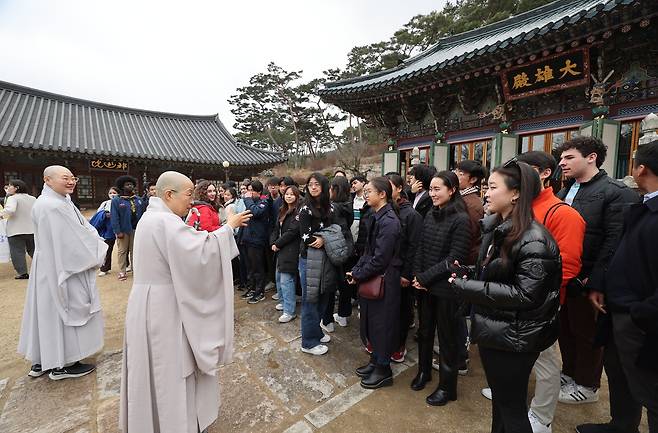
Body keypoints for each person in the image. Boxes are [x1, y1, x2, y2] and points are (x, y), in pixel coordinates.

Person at [119, 171, 251, 433]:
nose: (192, 201)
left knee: (153, 366)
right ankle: (175, 424)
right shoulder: (164, 223)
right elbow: (200, 252)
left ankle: (152, 421)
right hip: (164, 306)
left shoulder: (151, 217)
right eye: (189, 194)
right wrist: (229, 227)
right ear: (169, 194)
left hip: (148, 301)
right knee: (171, 367)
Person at [451, 160, 561, 433]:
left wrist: (468, 288)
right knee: (501, 404)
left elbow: (525, 294)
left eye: (491, 187)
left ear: (516, 194)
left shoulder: (533, 238)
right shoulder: (498, 228)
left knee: (512, 410)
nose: (486, 193)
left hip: (516, 337)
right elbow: (497, 272)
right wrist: (468, 272)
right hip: (497, 329)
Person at [480, 151, 586, 433]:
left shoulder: (558, 214)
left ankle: (541, 415)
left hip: (535, 312)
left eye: (493, 186)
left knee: (546, 365)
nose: (487, 193)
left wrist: (538, 292)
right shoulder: (504, 220)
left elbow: (565, 266)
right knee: (510, 394)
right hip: (506, 315)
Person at [576, 140, 658, 433]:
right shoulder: (643, 205)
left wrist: (638, 312)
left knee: (650, 386)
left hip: (641, 316)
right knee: (620, 371)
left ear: (641, 169)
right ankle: (622, 425)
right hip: (619, 307)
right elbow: (617, 249)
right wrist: (601, 284)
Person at [554, 136, 639, 404]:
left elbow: (615, 240)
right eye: (562, 158)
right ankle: (569, 372)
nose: (562, 163)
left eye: (569, 157)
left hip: (589, 276)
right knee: (564, 328)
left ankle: (588, 385)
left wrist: (597, 282)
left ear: (591, 157)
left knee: (587, 332)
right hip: (564, 273)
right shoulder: (565, 190)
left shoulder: (616, 192)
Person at [18, 165, 108, 380]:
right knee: (64, 310)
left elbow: (79, 230)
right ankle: (62, 363)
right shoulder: (51, 205)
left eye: (73, 178)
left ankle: (43, 360)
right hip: (62, 265)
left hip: (53, 264)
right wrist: (97, 247)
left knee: (46, 312)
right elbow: (71, 241)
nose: (70, 182)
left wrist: (92, 237)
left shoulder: (59, 201)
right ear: (47, 180)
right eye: (64, 178)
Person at [411, 171, 472, 405]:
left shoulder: (461, 219)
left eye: (438, 189)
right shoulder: (430, 213)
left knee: (447, 339)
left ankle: (448, 387)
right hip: (425, 286)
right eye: (431, 189)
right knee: (425, 333)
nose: (433, 194)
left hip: (445, 289)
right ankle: (424, 371)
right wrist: (418, 275)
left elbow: (454, 258)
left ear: (452, 190)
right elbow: (421, 246)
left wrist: (425, 278)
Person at [348, 177, 401, 389]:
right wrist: (357, 270)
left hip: (385, 280)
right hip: (374, 277)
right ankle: (375, 362)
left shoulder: (389, 221)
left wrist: (359, 274)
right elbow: (368, 252)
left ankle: (384, 369)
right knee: (372, 323)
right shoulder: (377, 216)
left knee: (383, 326)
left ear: (382, 194)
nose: (365, 194)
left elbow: (380, 259)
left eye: (369, 191)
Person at [386, 173, 422, 363]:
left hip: (402, 272)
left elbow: (414, 247)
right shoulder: (384, 210)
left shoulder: (411, 215)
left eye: (389, 186)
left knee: (401, 311)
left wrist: (407, 274)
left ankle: (399, 346)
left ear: (400, 188)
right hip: (387, 269)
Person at [298, 173, 335, 356]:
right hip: (309, 259)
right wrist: (321, 239)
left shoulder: (330, 208)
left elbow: (336, 231)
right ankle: (308, 341)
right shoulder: (305, 209)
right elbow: (305, 238)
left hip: (327, 258)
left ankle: (316, 332)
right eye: (310, 184)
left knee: (324, 296)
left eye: (317, 184)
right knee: (310, 300)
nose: (313, 187)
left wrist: (323, 238)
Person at [321, 176, 354, 332]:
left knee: (330, 285)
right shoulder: (349, 205)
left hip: (334, 248)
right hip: (347, 246)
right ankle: (343, 315)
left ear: (334, 189)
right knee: (345, 283)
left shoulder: (332, 208)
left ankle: (327, 320)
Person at [271, 185, 301, 323]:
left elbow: (293, 232)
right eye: (287, 194)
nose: (288, 196)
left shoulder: (298, 212)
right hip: (280, 249)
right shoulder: (282, 210)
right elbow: (275, 229)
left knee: (286, 279)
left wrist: (278, 244)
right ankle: (284, 302)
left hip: (291, 249)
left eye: (292, 194)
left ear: (297, 196)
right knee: (279, 277)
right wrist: (273, 242)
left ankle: (289, 310)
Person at [240, 180, 271, 304]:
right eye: (248, 190)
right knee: (250, 267)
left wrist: (248, 200)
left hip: (257, 240)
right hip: (248, 238)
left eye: (251, 190)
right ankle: (252, 288)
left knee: (258, 267)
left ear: (258, 191)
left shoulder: (264, 202)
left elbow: (256, 212)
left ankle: (260, 292)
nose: (249, 193)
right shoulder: (251, 202)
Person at [0, 179, 36, 279]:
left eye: (10, 186)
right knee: (34, 251)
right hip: (32, 229)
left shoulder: (13, 198)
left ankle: (23, 273)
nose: (8, 188)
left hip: (16, 230)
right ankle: (45, 268)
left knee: (17, 252)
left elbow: (10, 210)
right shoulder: (33, 198)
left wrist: (1, 215)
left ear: (16, 188)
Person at [111, 175, 144, 281]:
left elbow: (143, 214)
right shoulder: (117, 200)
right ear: (122, 186)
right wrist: (117, 231)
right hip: (123, 230)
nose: (129, 186)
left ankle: (136, 270)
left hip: (136, 230)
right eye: (127, 184)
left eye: (131, 184)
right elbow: (114, 217)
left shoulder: (138, 200)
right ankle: (122, 271)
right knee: (122, 251)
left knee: (135, 251)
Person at [96, 187, 119, 276]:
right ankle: (105, 268)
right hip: (108, 229)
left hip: (119, 228)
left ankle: (126, 266)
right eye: (110, 193)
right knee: (107, 249)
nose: (112, 194)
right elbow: (98, 213)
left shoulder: (120, 202)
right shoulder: (105, 203)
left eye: (114, 193)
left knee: (123, 250)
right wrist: (105, 214)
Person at [349, 175, 367, 243]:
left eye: (355, 183)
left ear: (363, 183)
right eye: (352, 184)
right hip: (351, 239)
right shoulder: (350, 200)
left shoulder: (368, 201)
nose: (353, 185)